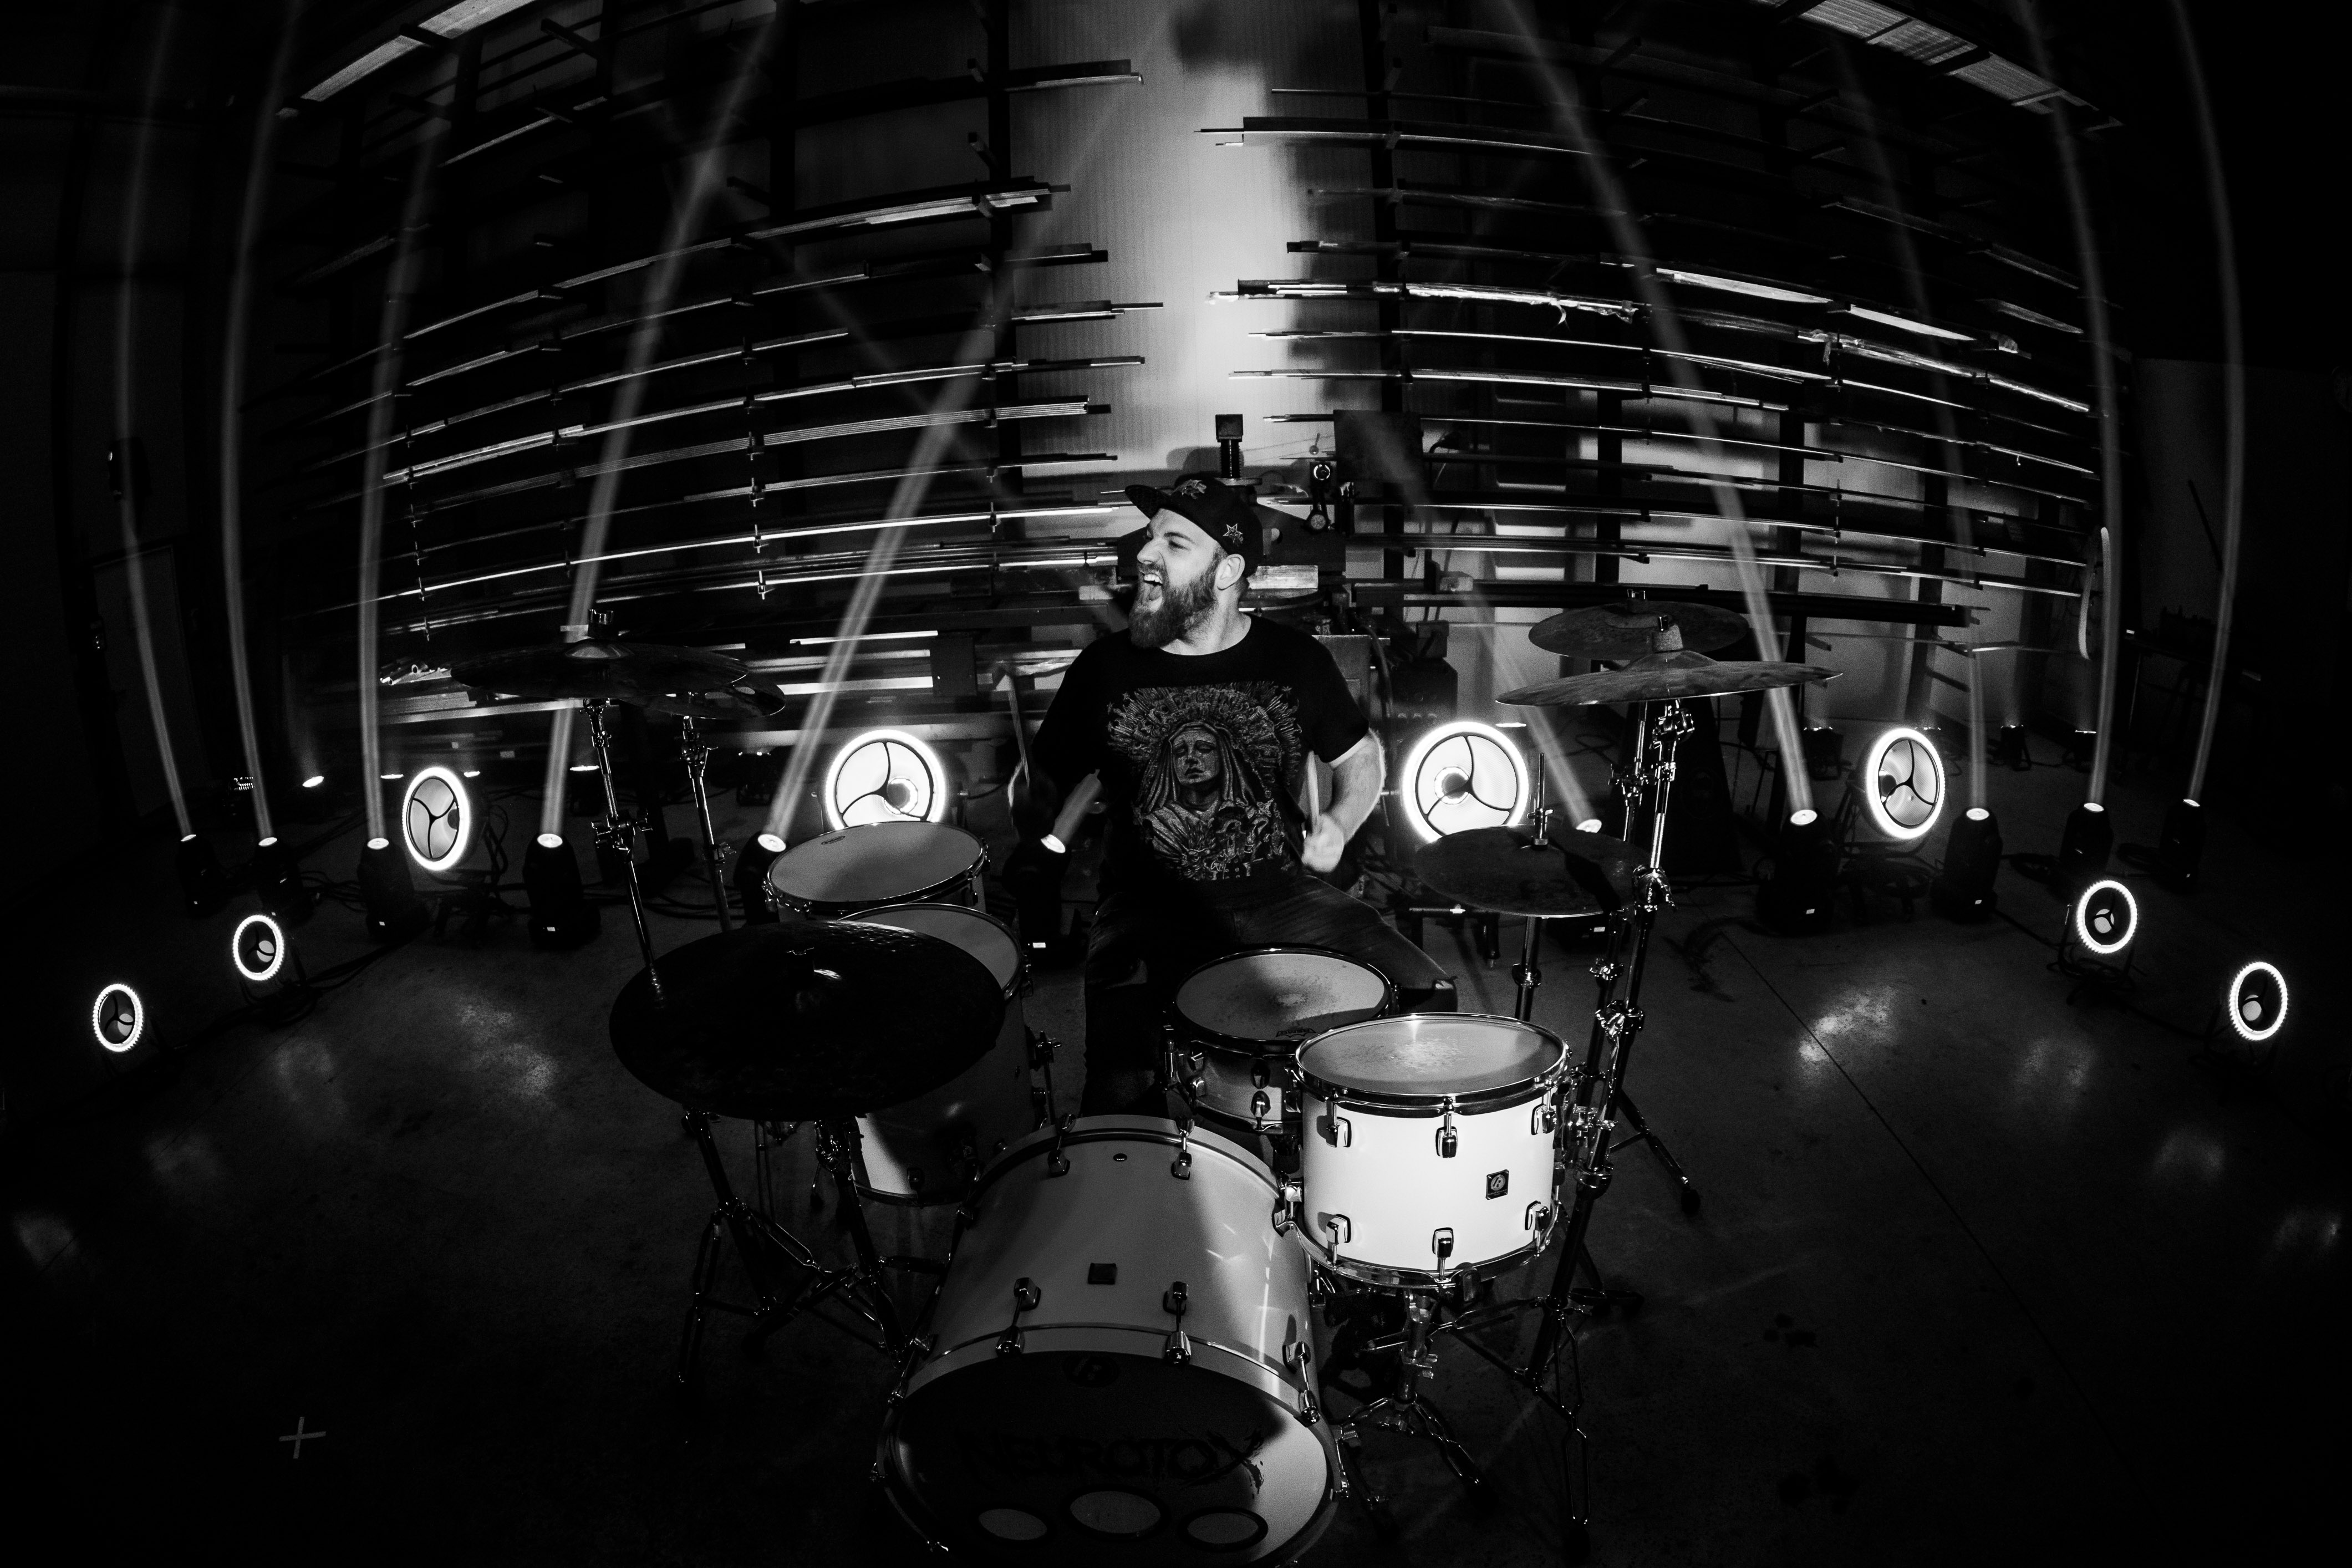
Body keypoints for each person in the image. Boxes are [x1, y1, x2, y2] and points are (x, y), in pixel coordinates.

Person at [1029, 475, 1453, 1116]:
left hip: (1284, 897)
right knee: (1121, 1085)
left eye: (1174, 543)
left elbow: (1360, 754)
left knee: (1428, 997)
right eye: (1150, 538)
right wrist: (1039, 824)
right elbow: (1045, 779)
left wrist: (1341, 821)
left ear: (1227, 571)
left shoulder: (1296, 660)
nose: (1146, 555)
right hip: (1148, 907)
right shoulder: (1103, 669)